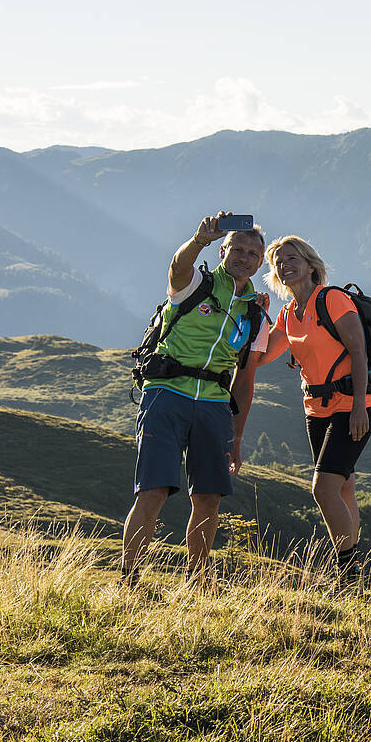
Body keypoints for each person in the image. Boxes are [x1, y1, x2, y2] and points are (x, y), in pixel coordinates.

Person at [123, 212, 268, 582]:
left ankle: (197, 581)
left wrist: (236, 436)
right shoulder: (196, 283)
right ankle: (129, 577)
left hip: (214, 407)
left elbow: (245, 378)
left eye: (253, 254)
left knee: (208, 497)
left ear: (261, 261)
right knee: (152, 491)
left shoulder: (255, 312)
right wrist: (198, 238)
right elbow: (177, 264)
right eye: (237, 249)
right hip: (166, 396)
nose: (244, 258)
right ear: (223, 251)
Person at [248, 235, 371, 573]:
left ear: (310, 265)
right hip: (316, 410)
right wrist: (258, 316)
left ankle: (347, 570)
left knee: (323, 489)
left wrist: (361, 405)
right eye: (279, 262)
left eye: (292, 258)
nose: (285, 265)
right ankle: (354, 567)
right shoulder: (289, 314)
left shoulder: (333, 300)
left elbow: (359, 351)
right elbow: (260, 358)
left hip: (353, 405)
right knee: (343, 486)